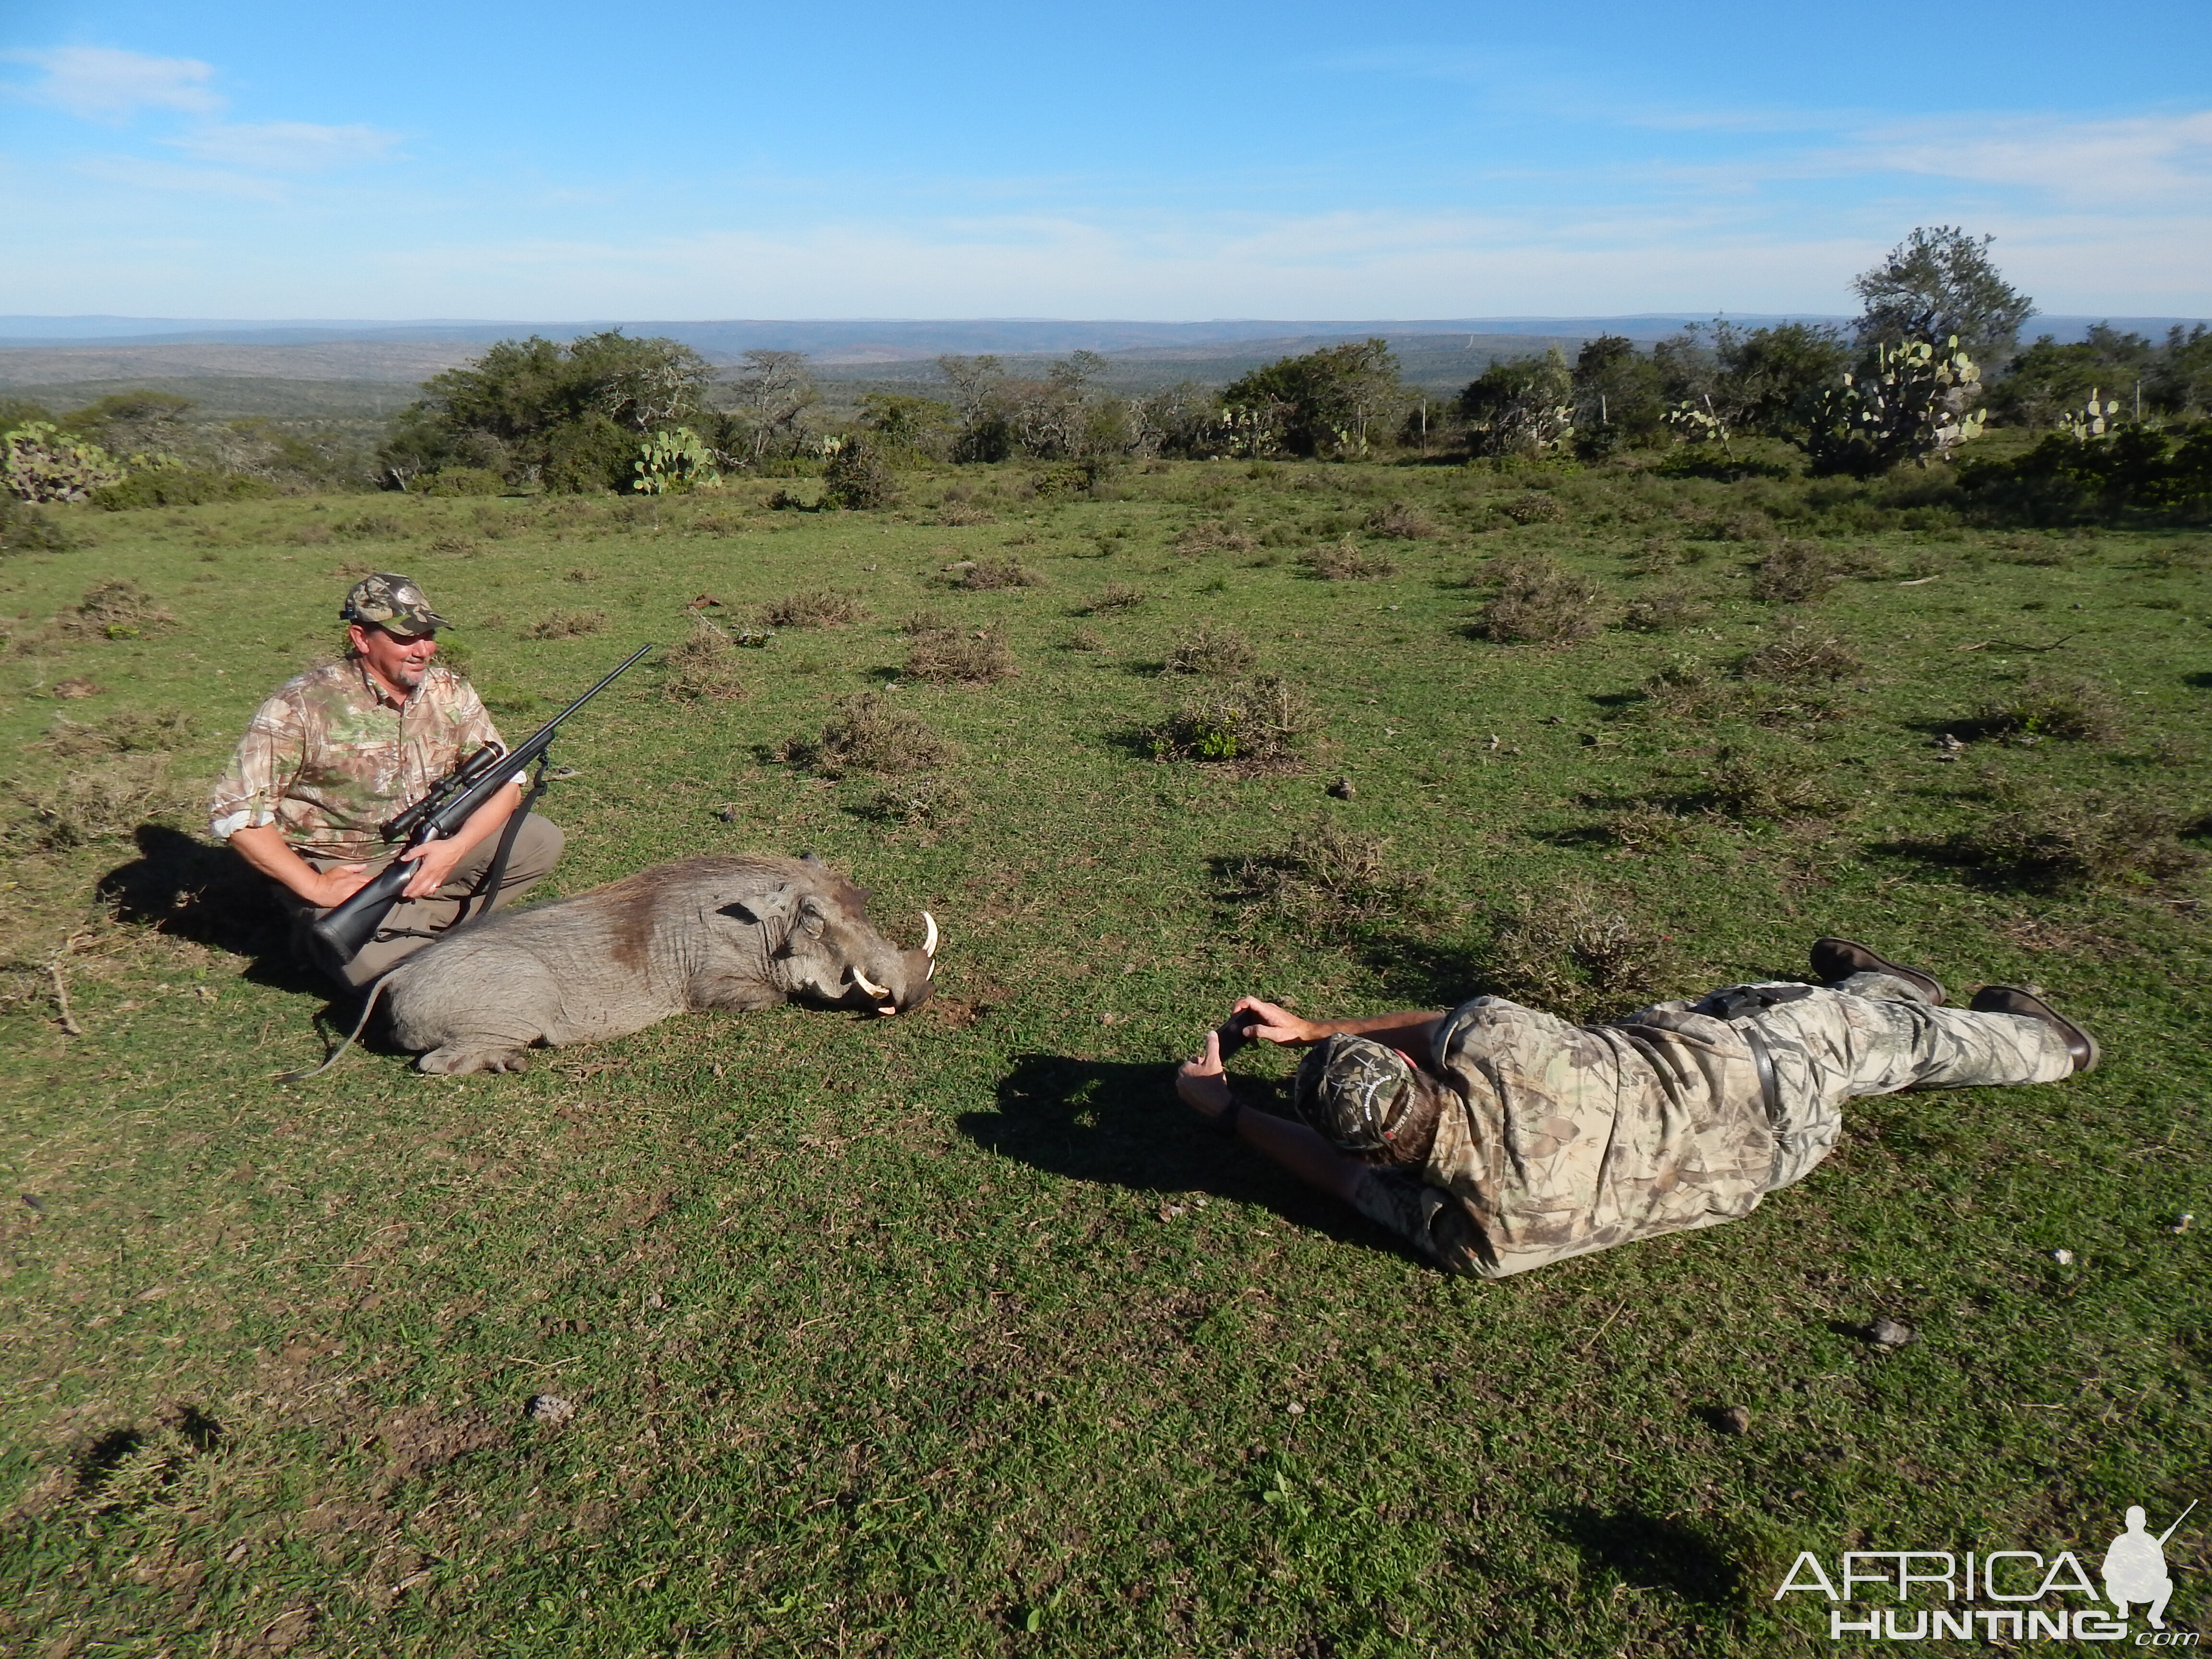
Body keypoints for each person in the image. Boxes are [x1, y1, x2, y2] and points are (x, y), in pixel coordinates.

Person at [1174, 939, 2097, 1279]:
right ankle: (2052, 1049)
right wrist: (1316, 1028)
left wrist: (1225, 1116)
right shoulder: (1499, 1043)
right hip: (1761, 1077)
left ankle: (1890, 989)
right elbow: (1442, 1022)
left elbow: (1339, 1177)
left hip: (1768, 1162)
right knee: (1819, 1024)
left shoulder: (1478, 1241)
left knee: (1750, 1007)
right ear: (1422, 1075)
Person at [209, 573, 563, 988]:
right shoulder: (300, 706)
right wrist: (317, 887)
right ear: (361, 638)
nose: (423, 649)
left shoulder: (450, 691)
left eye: (428, 635)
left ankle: (409, 926)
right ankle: (342, 932)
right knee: (386, 981)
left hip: (428, 848)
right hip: (344, 867)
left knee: (539, 841)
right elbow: (236, 813)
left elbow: (505, 782)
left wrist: (455, 849)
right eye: (405, 637)